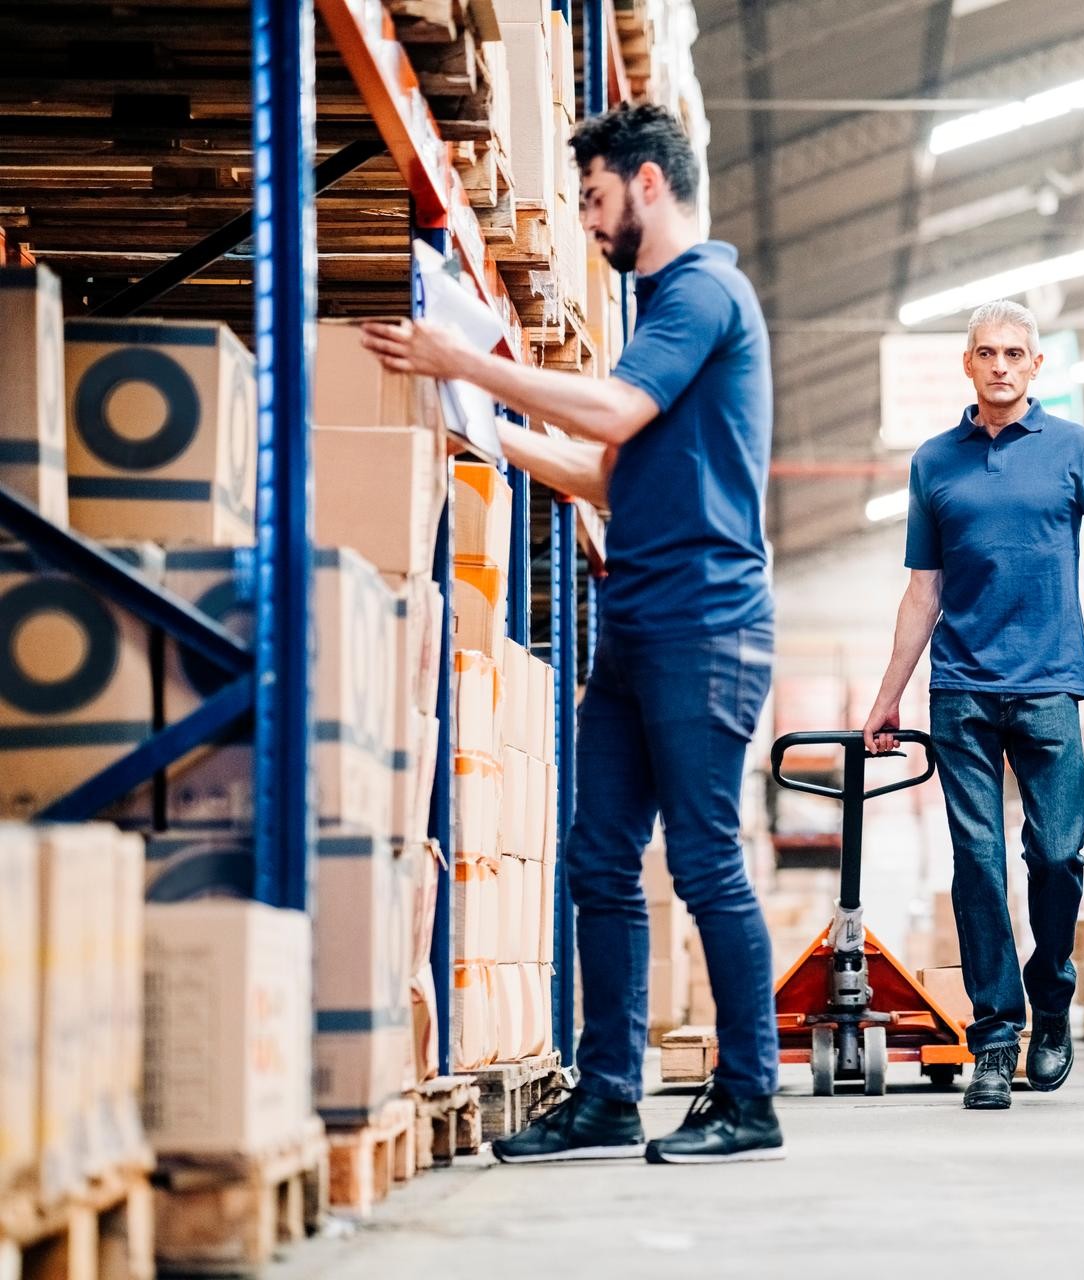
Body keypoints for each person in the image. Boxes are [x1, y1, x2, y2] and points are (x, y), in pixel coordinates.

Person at [362, 103, 783, 1165]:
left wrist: (466, 361)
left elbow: (611, 416)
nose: (588, 224)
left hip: (704, 621)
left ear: (648, 183)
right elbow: (606, 470)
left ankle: (750, 1097)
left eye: (593, 199)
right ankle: (606, 1093)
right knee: (599, 857)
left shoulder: (700, 291)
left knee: (702, 862)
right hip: (641, 620)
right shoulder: (663, 305)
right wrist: (486, 427)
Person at [861, 299, 1084, 1112]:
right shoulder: (934, 463)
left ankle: (1050, 991)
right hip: (960, 691)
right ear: (967, 365)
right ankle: (995, 1037)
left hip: (1051, 684)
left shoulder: (1074, 450)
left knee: (1058, 855)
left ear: (1036, 367)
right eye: (986, 352)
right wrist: (887, 698)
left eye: (1014, 353)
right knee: (979, 865)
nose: (1000, 365)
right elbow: (922, 592)